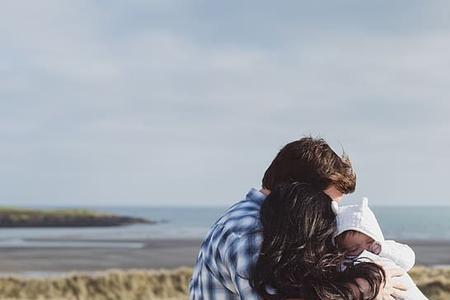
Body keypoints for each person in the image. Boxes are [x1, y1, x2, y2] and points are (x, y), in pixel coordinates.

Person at [189, 137, 406, 299]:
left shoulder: (269, 223)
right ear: (300, 193)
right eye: (328, 203)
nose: (330, 215)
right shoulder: (251, 231)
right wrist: (363, 289)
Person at [334, 198, 429, 300]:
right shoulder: (343, 264)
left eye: (369, 242)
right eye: (353, 249)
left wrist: (383, 249)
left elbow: (409, 259)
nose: (364, 250)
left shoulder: (384, 249)